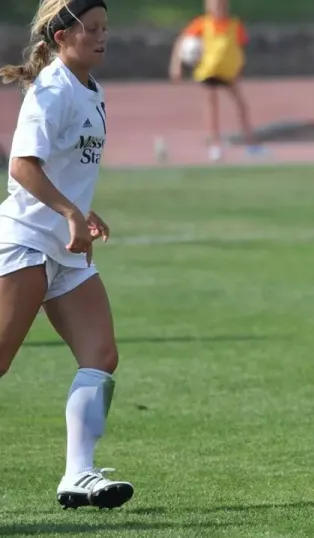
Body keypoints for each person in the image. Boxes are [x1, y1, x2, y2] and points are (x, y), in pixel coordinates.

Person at [0, 0, 135, 510]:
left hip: (67, 248)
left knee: (101, 356)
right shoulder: (52, 90)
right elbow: (23, 166)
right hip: (27, 240)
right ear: (61, 37)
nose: (103, 37)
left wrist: (84, 209)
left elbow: (62, 167)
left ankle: (79, 474)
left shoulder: (92, 91)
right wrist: (70, 213)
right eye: (92, 29)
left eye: (106, 28)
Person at [168, 0, 264, 162]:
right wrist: (176, 66)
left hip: (228, 72)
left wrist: (240, 68)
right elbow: (181, 42)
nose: (218, 8)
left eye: (221, 5)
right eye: (214, 5)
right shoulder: (201, 24)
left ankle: (250, 142)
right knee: (212, 106)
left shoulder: (234, 25)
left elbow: (239, 47)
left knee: (241, 104)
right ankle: (215, 144)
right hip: (209, 70)